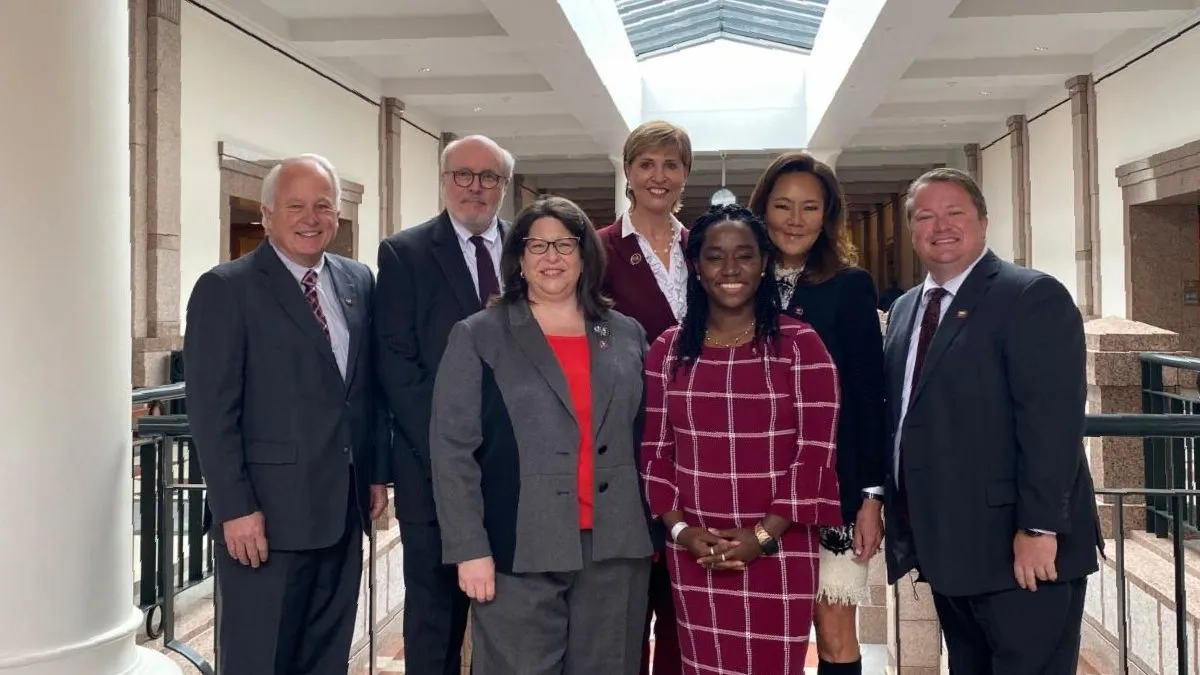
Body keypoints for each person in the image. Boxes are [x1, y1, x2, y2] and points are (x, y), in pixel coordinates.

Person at [883, 167, 1102, 674]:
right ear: (912, 230)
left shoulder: (1030, 296)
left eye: (955, 212)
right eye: (925, 216)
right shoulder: (905, 310)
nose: (941, 226)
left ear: (982, 221)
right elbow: (899, 419)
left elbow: (1052, 424)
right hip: (947, 550)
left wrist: (1039, 526)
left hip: (1021, 552)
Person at [429, 196, 654, 674]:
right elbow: (452, 452)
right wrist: (469, 549)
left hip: (615, 549)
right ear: (519, 258)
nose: (551, 257)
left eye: (564, 245)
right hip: (517, 549)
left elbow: (649, 438)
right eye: (537, 246)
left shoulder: (627, 334)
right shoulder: (478, 335)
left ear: (585, 255)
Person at [184, 154, 390, 674]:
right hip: (265, 520)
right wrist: (234, 507)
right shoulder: (227, 288)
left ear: (338, 214)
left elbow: (364, 392)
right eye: (295, 205)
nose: (311, 217)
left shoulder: (357, 280)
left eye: (323, 205)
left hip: (342, 511)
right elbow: (212, 411)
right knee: (260, 658)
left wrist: (374, 475)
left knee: (326, 656)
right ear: (267, 213)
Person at [640, 204, 843, 675]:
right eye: (715, 256)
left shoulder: (800, 345)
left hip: (780, 550)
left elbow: (814, 457)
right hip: (695, 551)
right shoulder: (667, 350)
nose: (730, 269)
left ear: (764, 262)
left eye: (745, 255)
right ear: (696, 266)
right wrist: (682, 532)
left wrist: (760, 537)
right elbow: (654, 454)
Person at [374, 134, 514, 674]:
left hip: (516, 470)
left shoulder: (531, 249)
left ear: (503, 186)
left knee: (512, 611)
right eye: (463, 174)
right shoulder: (405, 254)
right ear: (444, 179)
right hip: (431, 466)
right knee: (435, 615)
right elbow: (398, 364)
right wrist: (451, 446)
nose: (474, 188)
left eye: (488, 177)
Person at [747, 151, 886, 675]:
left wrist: (871, 495)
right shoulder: (740, 279)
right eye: (782, 205)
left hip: (833, 486)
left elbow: (868, 393)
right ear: (762, 210)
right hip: (754, 484)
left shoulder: (849, 285)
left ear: (827, 215)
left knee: (832, 627)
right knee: (764, 629)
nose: (795, 219)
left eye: (810, 207)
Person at [597, 119, 692, 675]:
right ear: (629, 173)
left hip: (696, 447)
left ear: (685, 176)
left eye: (671, 165)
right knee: (627, 605)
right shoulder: (601, 249)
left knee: (684, 605)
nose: (659, 176)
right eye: (647, 164)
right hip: (626, 444)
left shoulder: (702, 245)